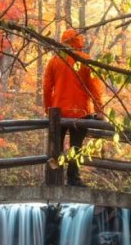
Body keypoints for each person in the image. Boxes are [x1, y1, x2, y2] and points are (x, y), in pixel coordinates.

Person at [43, 28, 106, 186]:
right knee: (76, 147)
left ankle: (53, 180)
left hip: (58, 113)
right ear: (79, 42)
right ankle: (73, 180)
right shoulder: (84, 60)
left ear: (62, 42)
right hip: (81, 112)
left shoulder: (54, 61)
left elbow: (46, 87)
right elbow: (95, 88)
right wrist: (99, 110)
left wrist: (48, 109)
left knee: (55, 148)